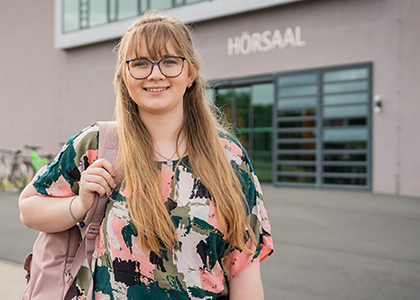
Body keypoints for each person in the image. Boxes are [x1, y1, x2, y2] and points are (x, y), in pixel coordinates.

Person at [19, 12, 274, 300]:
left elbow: (242, 267)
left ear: (190, 74)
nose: (155, 73)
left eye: (169, 62)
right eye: (140, 63)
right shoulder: (96, 145)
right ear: (125, 76)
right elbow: (29, 207)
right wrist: (78, 205)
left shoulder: (229, 158)